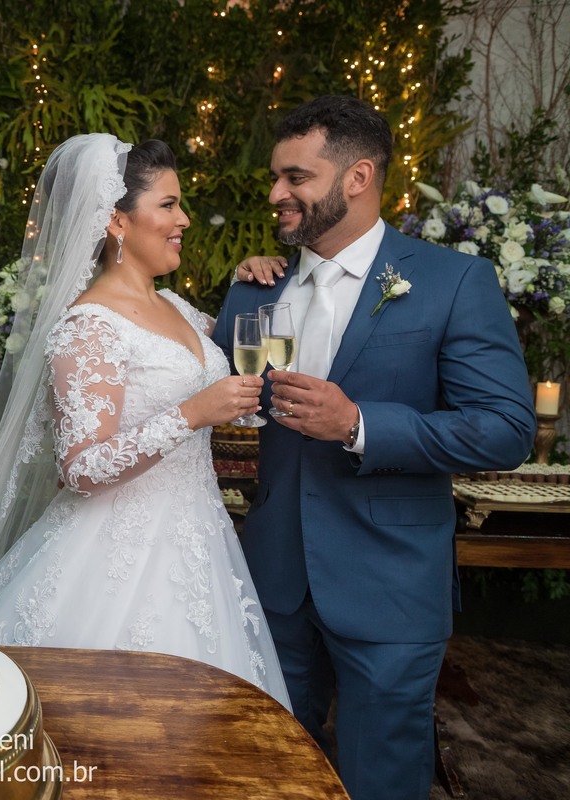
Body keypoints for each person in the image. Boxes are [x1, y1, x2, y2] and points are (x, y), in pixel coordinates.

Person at [214, 96, 536, 800]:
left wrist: (361, 424)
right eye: (275, 177)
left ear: (357, 178)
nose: (276, 194)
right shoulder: (253, 290)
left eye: (295, 178)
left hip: (390, 587)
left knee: (382, 779)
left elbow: (507, 428)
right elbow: (207, 391)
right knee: (266, 772)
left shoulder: (454, 282)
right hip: (274, 583)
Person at [0, 133, 291, 708]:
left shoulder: (179, 308)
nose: (184, 218)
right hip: (112, 560)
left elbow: (244, 352)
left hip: (199, 547)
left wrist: (248, 277)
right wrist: (193, 413)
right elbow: (81, 466)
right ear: (117, 222)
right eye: (167, 205)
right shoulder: (89, 326)